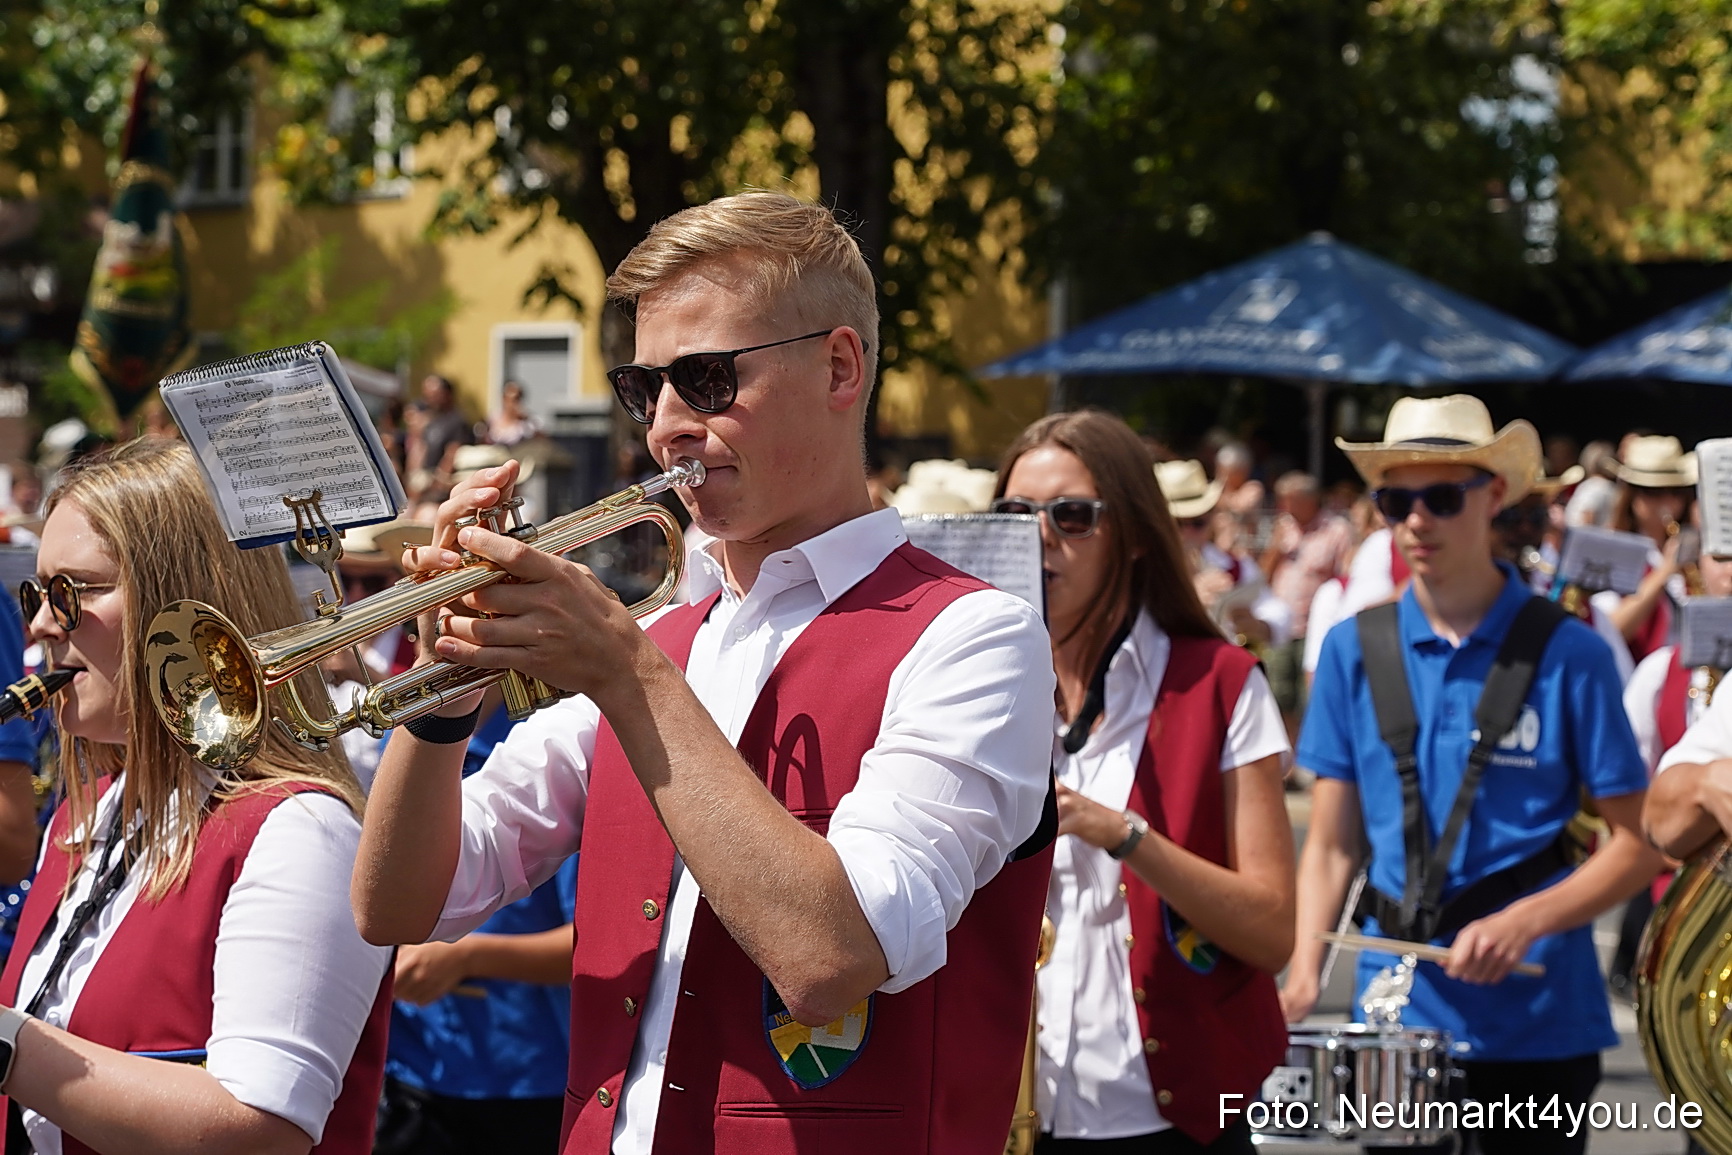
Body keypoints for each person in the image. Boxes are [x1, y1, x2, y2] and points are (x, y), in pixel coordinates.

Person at [350, 190, 1055, 1155]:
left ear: (840, 366)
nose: (669, 426)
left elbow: (831, 956)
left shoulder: (975, 636)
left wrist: (626, 669)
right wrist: (442, 691)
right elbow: (398, 905)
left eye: (710, 380)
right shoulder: (668, 636)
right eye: (648, 391)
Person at [1280, 396, 1660, 1155]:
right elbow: (1330, 845)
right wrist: (1300, 972)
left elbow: (1638, 843)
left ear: (1494, 496)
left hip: (1539, 1024)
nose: (1416, 520)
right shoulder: (1356, 648)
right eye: (1396, 500)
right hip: (1396, 1022)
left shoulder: (1571, 652)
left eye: (1442, 496)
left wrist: (1527, 920)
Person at [0, 438, 392, 1155]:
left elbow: (259, 1129)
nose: (41, 625)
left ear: (183, 601)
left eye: (72, 592)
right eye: (35, 592)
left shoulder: (300, 829)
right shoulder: (94, 811)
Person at [995, 413, 1291, 1154]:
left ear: (1131, 535)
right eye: (1014, 515)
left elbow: (1272, 927)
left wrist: (1122, 832)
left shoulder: (1220, 682)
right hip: (1007, 1108)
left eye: (1070, 515)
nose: (1039, 536)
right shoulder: (971, 683)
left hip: (1172, 1118)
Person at [378, 687, 578, 1155]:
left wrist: (470, 957)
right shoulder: (401, 743)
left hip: (524, 1081)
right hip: (415, 1070)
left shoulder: (551, 748)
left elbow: (597, 941)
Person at [1260, 471, 1352, 737]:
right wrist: (1275, 549)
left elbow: (1343, 579)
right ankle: (1291, 756)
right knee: (1278, 694)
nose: (1284, 507)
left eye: (1290, 500)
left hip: (1315, 630)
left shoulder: (1336, 531)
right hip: (1281, 630)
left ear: (1310, 500)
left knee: (1309, 697)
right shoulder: (1282, 529)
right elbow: (1261, 577)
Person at [1599, 435, 1696, 664]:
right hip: (1639, 677)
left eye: (1675, 491)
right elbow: (1613, 628)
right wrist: (1665, 571)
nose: (1667, 502)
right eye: (1653, 492)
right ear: (1631, 496)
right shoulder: (1613, 550)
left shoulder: (1693, 546)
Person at [484, 381, 542, 448]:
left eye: (516, 399)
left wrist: (525, 419)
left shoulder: (526, 421)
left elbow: (540, 439)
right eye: (509, 399)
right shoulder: (494, 417)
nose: (512, 404)